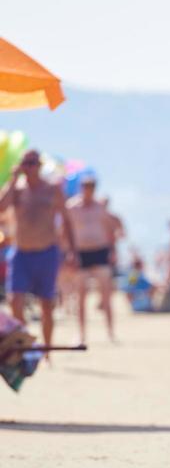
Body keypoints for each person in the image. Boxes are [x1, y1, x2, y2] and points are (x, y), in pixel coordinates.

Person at [0, 150, 76, 350]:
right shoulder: (16, 189)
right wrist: (12, 179)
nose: (28, 166)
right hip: (21, 253)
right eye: (25, 162)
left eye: (32, 163)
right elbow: (1, 207)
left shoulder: (52, 189)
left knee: (46, 305)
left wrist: (72, 251)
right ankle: (25, 345)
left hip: (46, 252)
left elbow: (66, 221)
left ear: (39, 165)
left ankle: (47, 349)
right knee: (14, 300)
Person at [66, 172, 116, 343]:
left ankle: (110, 332)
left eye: (92, 186)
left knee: (106, 294)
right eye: (86, 186)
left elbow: (110, 229)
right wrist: (69, 253)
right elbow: (66, 231)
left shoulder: (100, 206)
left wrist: (112, 250)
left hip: (100, 251)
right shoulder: (72, 207)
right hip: (81, 253)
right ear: (81, 188)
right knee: (81, 295)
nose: (89, 190)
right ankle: (81, 334)